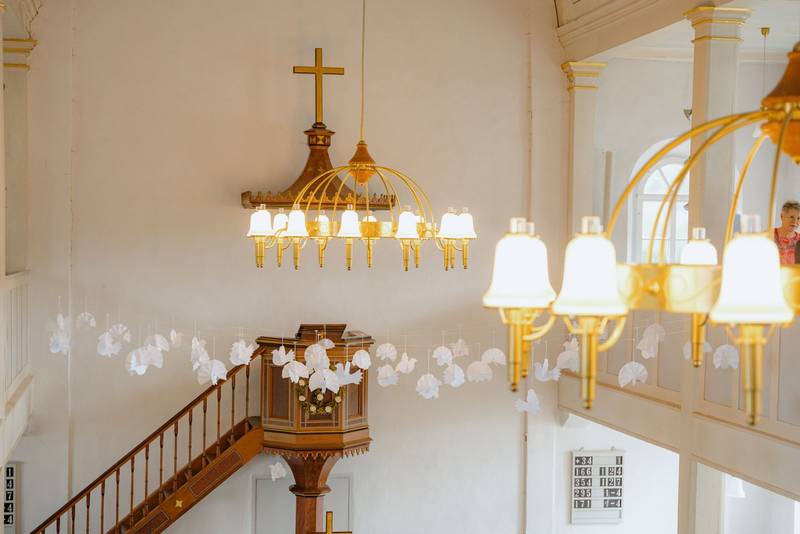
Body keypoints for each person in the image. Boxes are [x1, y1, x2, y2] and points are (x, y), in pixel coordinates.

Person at [774, 200, 800, 265]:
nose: (795, 221)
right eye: (791, 217)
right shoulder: (768, 235)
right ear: (782, 216)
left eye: (798, 218)